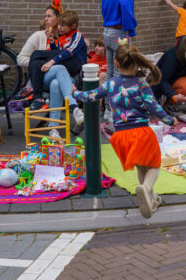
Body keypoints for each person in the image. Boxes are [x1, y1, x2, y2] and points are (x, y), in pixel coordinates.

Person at [72, 44, 172, 218]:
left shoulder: (110, 83)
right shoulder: (141, 83)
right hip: (141, 132)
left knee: (142, 165)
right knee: (155, 164)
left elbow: (90, 96)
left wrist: (75, 93)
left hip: (121, 136)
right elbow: (154, 106)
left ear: (116, 64)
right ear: (137, 62)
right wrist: (170, 119)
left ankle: (151, 199)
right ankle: (146, 188)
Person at [26, 11, 87, 124]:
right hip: (63, 71)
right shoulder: (62, 37)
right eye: (59, 24)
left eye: (63, 25)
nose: (59, 27)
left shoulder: (77, 35)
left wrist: (51, 62)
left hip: (73, 71)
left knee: (36, 55)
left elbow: (69, 52)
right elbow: (57, 53)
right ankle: (69, 114)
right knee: (54, 81)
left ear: (73, 26)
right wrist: (52, 42)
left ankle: (31, 90)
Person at [101, 0, 137, 77]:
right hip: (119, 33)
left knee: (110, 70)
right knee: (120, 71)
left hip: (107, 32)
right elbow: (126, 6)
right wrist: (131, 29)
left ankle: (107, 96)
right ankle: (116, 96)